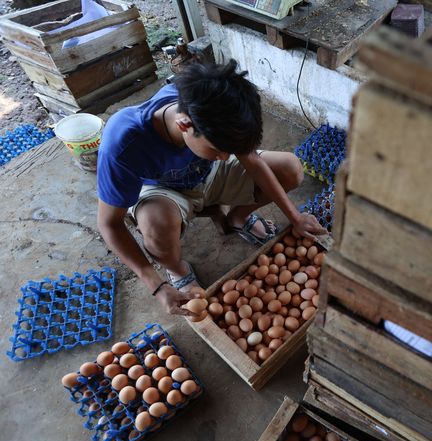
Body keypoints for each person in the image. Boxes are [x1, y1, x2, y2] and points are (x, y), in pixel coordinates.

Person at [96, 59, 327, 317]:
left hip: (208, 174)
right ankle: (176, 268)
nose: (226, 155)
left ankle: (237, 217)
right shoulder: (124, 143)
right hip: (164, 192)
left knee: (291, 168)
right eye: (219, 149)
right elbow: (109, 224)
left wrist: (295, 217)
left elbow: (250, 160)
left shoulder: (219, 109)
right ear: (184, 125)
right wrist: (156, 285)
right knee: (157, 224)